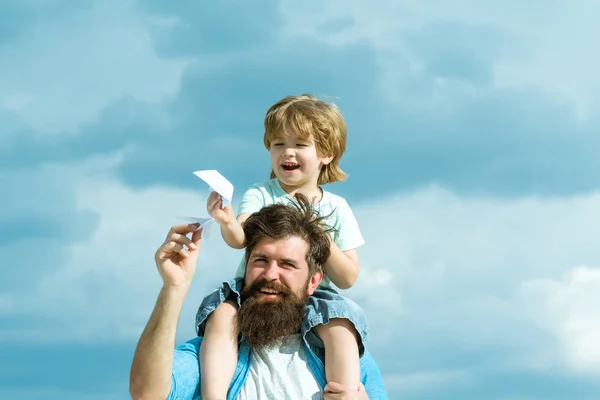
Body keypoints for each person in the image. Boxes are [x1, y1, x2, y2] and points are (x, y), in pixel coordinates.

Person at [129, 196, 389, 399]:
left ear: (314, 281)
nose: (270, 274)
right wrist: (174, 288)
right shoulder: (213, 351)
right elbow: (147, 393)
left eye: (287, 264)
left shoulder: (344, 355)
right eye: (261, 260)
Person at [198, 94, 367, 400]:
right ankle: (214, 395)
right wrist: (227, 221)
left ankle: (344, 393)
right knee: (222, 314)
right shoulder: (262, 193)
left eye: (300, 144)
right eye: (278, 144)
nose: (287, 152)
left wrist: (319, 235)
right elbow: (241, 239)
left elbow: (348, 278)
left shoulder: (338, 208)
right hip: (256, 289)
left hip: (314, 294)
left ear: (326, 153)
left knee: (343, 320)